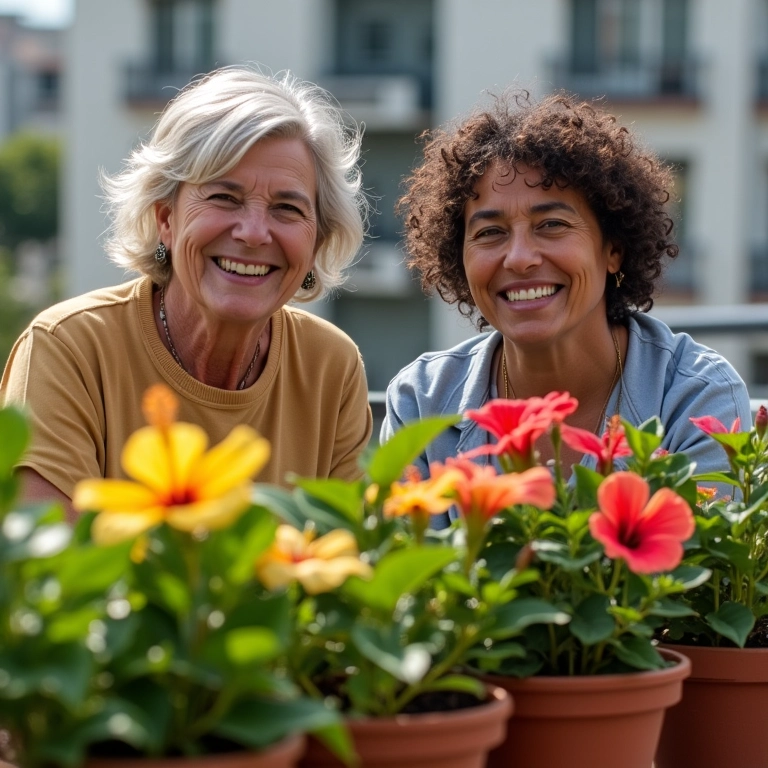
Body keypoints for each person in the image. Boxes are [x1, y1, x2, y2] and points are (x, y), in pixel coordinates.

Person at [1, 65, 372, 520]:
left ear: (317, 240)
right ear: (165, 219)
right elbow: (53, 576)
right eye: (223, 197)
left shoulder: (330, 367)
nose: (255, 233)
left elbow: (347, 564)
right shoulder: (68, 349)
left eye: (287, 208)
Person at [381, 90, 751, 515]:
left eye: (552, 225)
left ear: (613, 248)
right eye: (489, 233)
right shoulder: (422, 400)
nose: (519, 258)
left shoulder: (694, 396)